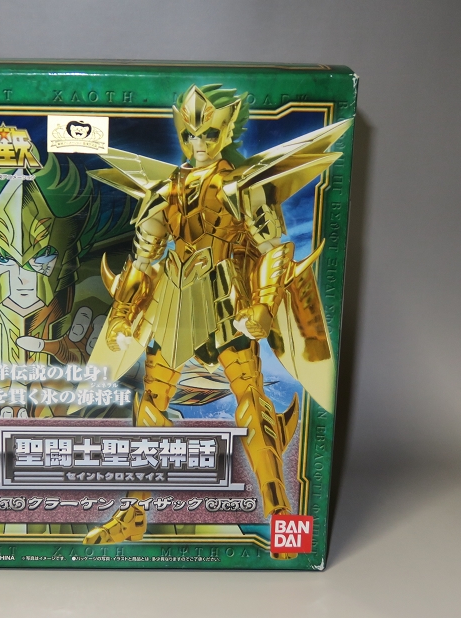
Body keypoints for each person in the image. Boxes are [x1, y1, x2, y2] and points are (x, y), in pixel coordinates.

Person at [82, 84, 351, 556]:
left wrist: (263, 305)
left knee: (251, 403)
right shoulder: (165, 190)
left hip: (227, 302)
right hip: (173, 302)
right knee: (151, 406)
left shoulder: (241, 188)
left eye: (208, 133)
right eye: (189, 134)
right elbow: (142, 259)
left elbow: (275, 250)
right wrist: (123, 312)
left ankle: (281, 514)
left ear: (226, 131)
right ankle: (135, 513)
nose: (199, 142)